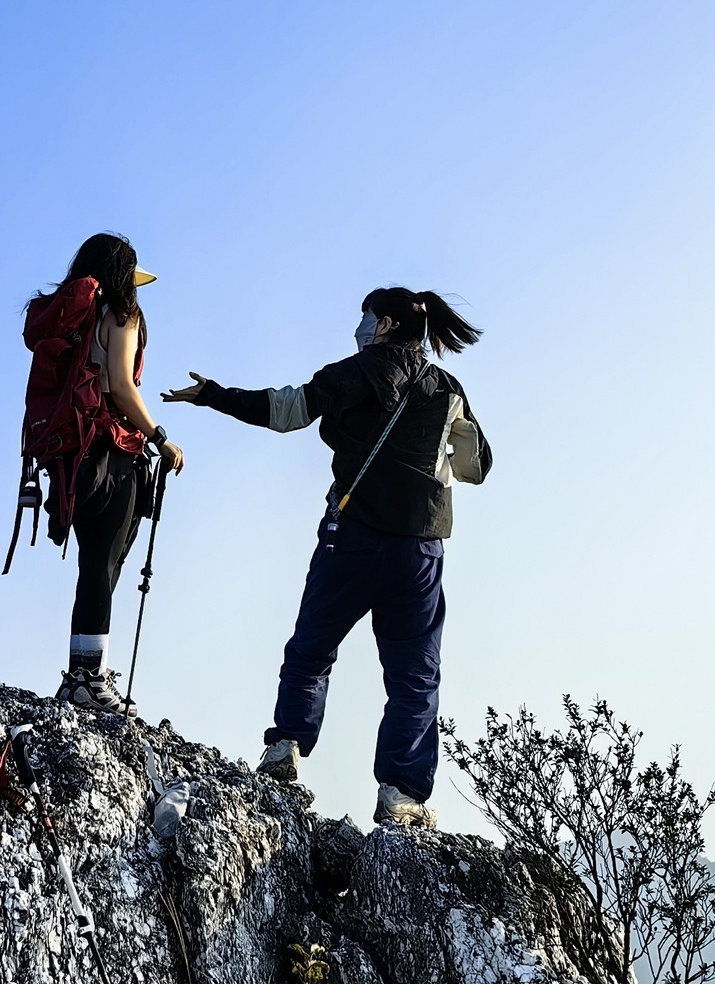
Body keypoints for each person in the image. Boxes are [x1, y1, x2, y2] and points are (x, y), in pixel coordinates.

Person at [162, 286, 490, 827]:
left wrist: (214, 395)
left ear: (383, 324)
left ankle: (285, 748)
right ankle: (401, 794)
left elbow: (284, 411)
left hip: (353, 538)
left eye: (365, 317)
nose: (359, 326)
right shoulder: (449, 389)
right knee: (414, 677)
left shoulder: (353, 371)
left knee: (314, 646)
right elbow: (476, 467)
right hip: (419, 553)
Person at [22, 232, 183, 715]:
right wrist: (159, 438)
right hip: (112, 452)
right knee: (103, 563)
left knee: (91, 563)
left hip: (71, 456)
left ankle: (82, 673)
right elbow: (120, 386)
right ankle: (88, 679)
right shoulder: (121, 314)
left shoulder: (73, 317)